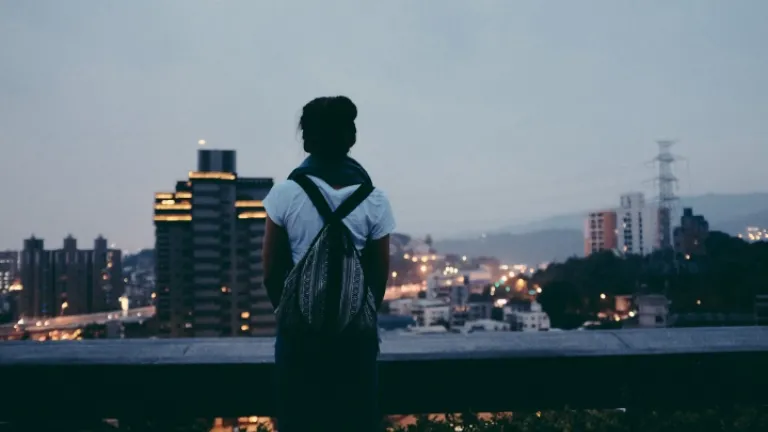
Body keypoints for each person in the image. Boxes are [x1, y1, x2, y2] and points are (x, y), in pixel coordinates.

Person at [262, 96, 395, 432]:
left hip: (299, 342)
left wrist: (294, 314)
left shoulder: (285, 194)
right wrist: (355, 313)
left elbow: (271, 271)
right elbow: (379, 277)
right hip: (355, 344)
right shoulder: (374, 200)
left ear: (307, 140)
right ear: (351, 138)